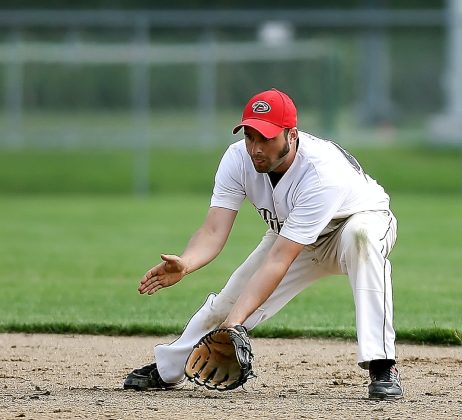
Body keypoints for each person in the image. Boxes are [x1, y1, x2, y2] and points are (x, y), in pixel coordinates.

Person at [123, 88, 402, 400]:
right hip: (291, 235)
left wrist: (234, 326)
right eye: (250, 136)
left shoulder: (322, 173)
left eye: (266, 138)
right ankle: (171, 368)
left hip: (353, 223)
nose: (256, 147)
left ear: (291, 135)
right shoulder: (237, 159)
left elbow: (278, 261)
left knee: (360, 239)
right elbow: (214, 230)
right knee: (228, 303)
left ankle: (382, 363)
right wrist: (187, 263)